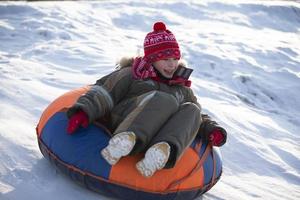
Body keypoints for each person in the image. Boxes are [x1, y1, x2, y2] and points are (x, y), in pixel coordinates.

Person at [66, 22, 227, 178]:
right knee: (167, 100)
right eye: (165, 59)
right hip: (126, 120)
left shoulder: (181, 88)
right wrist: (83, 112)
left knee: (192, 109)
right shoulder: (132, 74)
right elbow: (104, 92)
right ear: (152, 59)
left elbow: (196, 117)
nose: (171, 65)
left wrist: (211, 130)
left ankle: (161, 152)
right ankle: (124, 142)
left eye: (174, 59)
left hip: (157, 134)